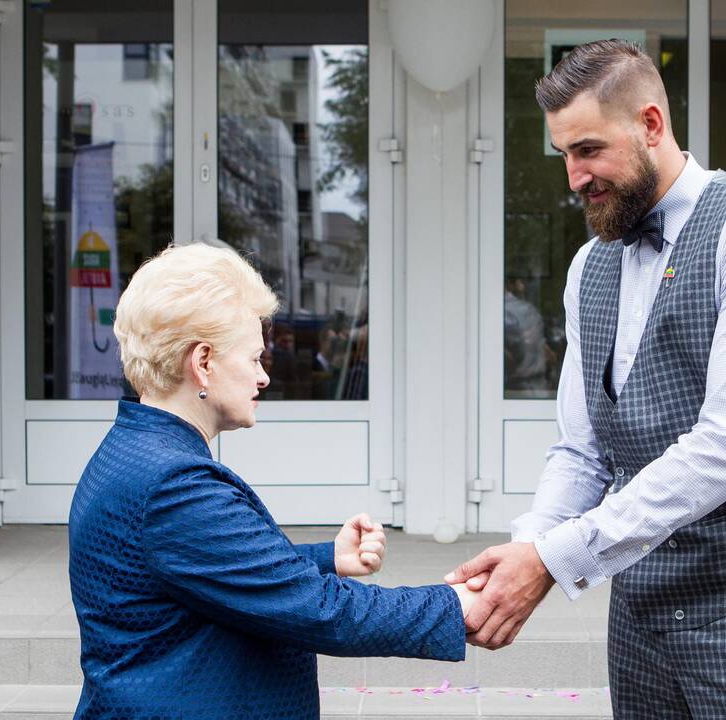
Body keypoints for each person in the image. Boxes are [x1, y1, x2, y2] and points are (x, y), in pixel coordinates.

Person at [447, 39, 726, 718]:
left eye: (590, 150)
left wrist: (553, 561)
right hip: (643, 602)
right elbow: (582, 451)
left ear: (652, 124)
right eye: (566, 155)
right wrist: (525, 551)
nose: (575, 177)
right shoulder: (587, 268)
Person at [68, 242, 478, 720]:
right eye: (254, 359)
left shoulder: (131, 450)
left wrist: (327, 558)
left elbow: (201, 567)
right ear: (203, 362)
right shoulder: (173, 484)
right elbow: (321, 610)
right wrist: (455, 606)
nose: (262, 378)